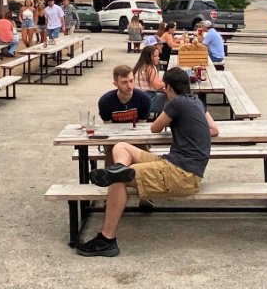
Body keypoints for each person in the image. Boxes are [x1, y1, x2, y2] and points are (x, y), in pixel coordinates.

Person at [76, 67, 219, 257]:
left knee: (117, 180)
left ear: (167, 87)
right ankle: (120, 167)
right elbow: (214, 129)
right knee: (121, 147)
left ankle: (107, 240)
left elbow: (154, 128)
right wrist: (190, 131)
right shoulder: (197, 102)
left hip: (182, 175)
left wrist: (177, 122)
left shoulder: (175, 103)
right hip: (174, 164)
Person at [132, 44, 166, 116]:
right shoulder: (151, 68)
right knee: (171, 99)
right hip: (148, 98)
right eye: (155, 56)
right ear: (148, 57)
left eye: (158, 56)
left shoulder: (139, 66)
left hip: (136, 98)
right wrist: (167, 83)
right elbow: (157, 86)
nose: (158, 58)